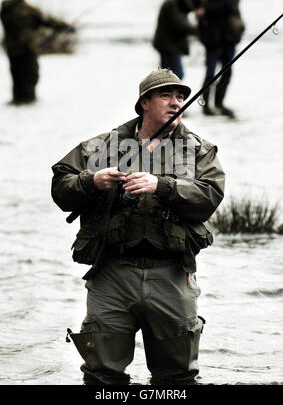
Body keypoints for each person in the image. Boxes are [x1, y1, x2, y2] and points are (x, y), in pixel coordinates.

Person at [51, 68, 225, 385]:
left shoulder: (199, 151)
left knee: (178, 378)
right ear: (144, 102)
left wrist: (162, 186)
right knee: (101, 375)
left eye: (181, 97)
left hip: (172, 275)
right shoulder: (102, 147)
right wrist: (93, 181)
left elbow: (210, 196)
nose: (176, 103)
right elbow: (61, 187)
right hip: (111, 274)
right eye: (166, 95)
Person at [0, 0, 73, 104]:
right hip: (27, 48)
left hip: (12, 48)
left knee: (17, 75)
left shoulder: (5, 8)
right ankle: (28, 101)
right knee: (30, 75)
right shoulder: (28, 10)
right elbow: (47, 21)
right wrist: (65, 26)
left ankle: (18, 100)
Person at [195, 0, 245, 117]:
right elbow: (190, 5)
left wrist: (206, 11)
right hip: (211, 40)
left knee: (227, 72)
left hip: (229, 38)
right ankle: (206, 107)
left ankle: (219, 104)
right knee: (210, 73)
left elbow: (230, 6)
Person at [153, 0, 197, 80]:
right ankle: (171, 96)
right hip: (169, 45)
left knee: (168, 77)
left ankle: (167, 96)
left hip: (171, 44)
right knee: (177, 75)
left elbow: (189, 5)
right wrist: (198, 30)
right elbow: (179, 24)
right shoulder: (172, 1)